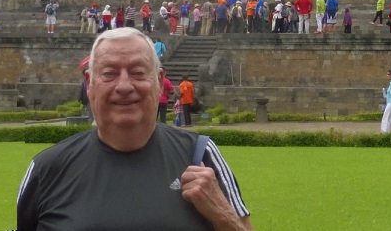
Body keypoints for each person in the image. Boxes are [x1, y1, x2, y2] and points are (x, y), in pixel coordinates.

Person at [17, 28, 251, 230]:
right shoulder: (47, 169)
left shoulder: (200, 155)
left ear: (159, 82)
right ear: (90, 84)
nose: (124, 86)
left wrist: (221, 213)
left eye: (138, 73)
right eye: (109, 74)